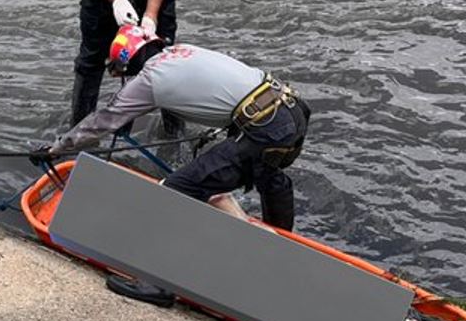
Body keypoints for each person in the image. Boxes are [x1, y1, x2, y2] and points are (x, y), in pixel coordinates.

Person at [47, 25, 311, 232]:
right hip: (291, 109)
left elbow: (104, 121)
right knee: (265, 173)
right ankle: (282, 243)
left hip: (263, 126)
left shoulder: (149, 78)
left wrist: (56, 148)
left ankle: (158, 285)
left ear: (127, 65)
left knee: (172, 193)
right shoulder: (184, 50)